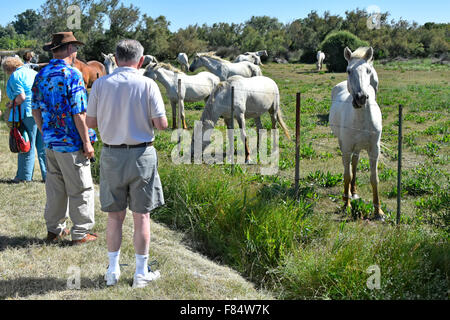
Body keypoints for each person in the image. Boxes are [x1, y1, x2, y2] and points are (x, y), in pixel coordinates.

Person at [86, 39, 168, 288]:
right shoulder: (148, 84)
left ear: (116, 57)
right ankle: (140, 272)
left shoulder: (100, 84)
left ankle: (112, 271)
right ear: (141, 60)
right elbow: (161, 124)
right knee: (141, 216)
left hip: (111, 154)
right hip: (141, 154)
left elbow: (90, 122)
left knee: (114, 217)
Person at [31, 32, 97, 245]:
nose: (76, 51)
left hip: (51, 142)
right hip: (71, 144)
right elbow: (79, 113)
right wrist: (87, 142)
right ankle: (80, 233)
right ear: (69, 49)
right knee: (81, 188)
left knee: (55, 189)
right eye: (75, 47)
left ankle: (54, 230)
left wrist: (44, 131)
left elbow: (35, 109)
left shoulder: (41, 74)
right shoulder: (72, 74)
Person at [1, 56, 47, 183]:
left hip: (27, 113)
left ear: (8, 68)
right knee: (42, 146)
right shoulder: (34, 73)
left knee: (26, 144)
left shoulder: (15, 76)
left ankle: (24, 176)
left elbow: (21, 97)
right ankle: (48, 176)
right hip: (41, 111)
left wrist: (11, 104)